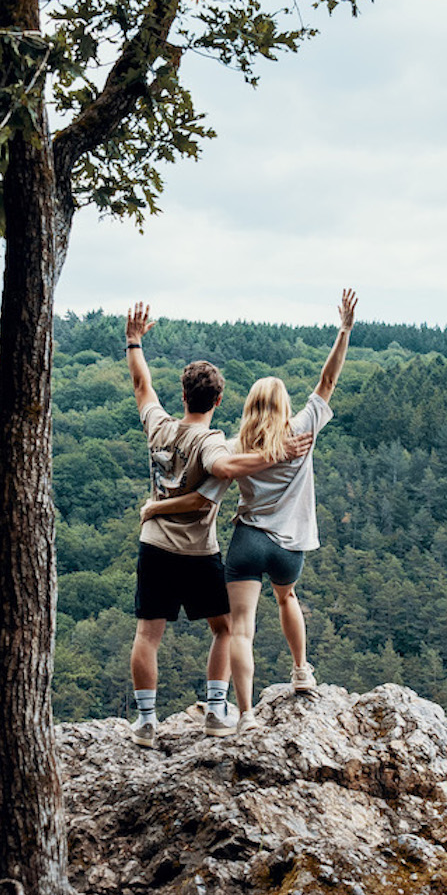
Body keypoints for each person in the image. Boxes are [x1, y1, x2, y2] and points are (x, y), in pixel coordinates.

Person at [142, 289, 357, 724]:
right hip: (290, 544)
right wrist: (344, 330)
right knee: (287, 597)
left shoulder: (235, 446)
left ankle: (244, 713)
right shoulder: (300, 431)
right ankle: (301, 671)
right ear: (284, 407)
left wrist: (154, 507)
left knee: (240, 629)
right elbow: (328, 381)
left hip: (247, 543)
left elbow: (211, 485)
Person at [124, 303, 311, 746]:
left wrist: (134, 341)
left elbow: (141, 385)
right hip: (197, 550)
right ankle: (214, 709)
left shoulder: (159, 426)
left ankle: (147, 721)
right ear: (219, 401)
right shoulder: (209, 442)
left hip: (154, 545)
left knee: (148, 634)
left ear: (184, 394)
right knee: (226, 629)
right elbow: (225, 469)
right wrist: (276, 454)